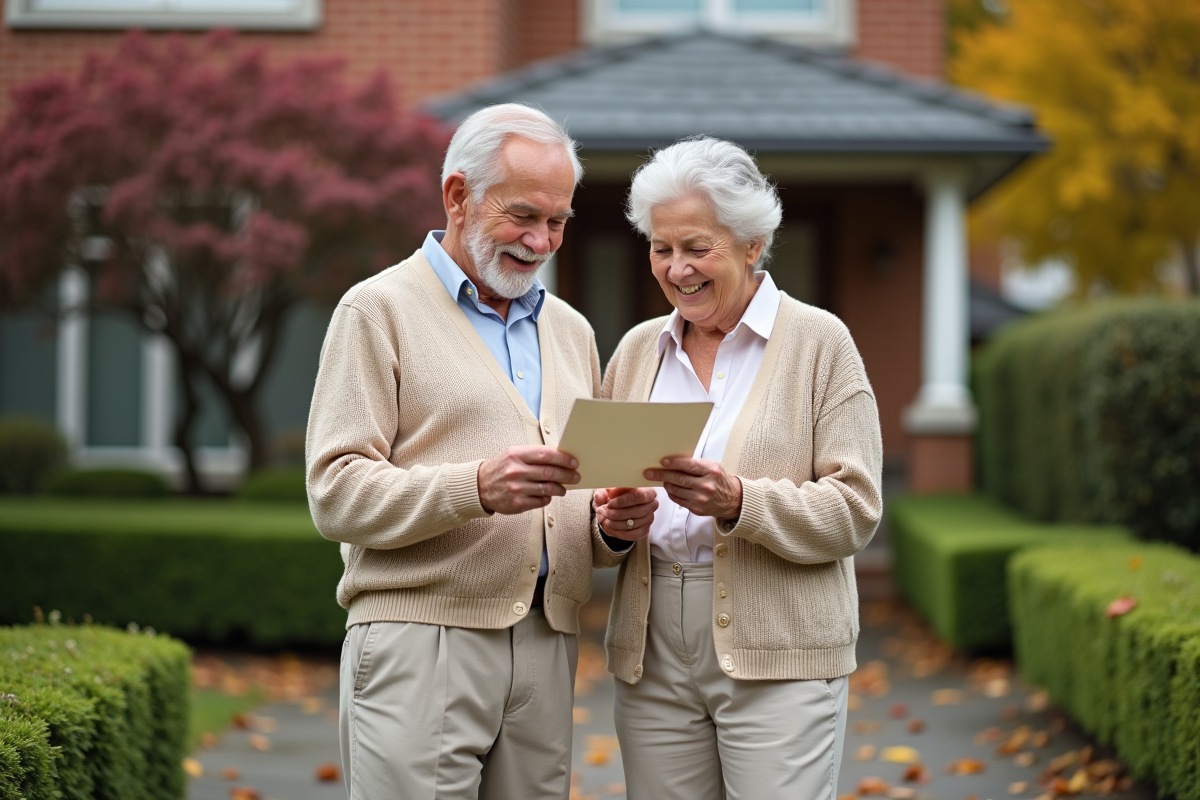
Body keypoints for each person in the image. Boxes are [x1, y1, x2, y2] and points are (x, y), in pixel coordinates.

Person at [305, 103, 627, 800]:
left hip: (547, 641)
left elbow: (571, 499)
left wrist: (606, 527)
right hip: (420, 640)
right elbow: (334, 492)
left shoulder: (572, 331)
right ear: (457, 195)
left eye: (558, 222)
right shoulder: (376, 311)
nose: (541, 242)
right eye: (523, 216)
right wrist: (475, 487)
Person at [592, 136, 884, 800]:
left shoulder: (820, 343)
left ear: (753, 243)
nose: (677, 268)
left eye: (698, 248)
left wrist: (738, 502)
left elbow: (856, 509)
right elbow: (594, 507)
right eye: (661, 248)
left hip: (780, 652)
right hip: (652, 655)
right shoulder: (639, 350)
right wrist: (612, 523)